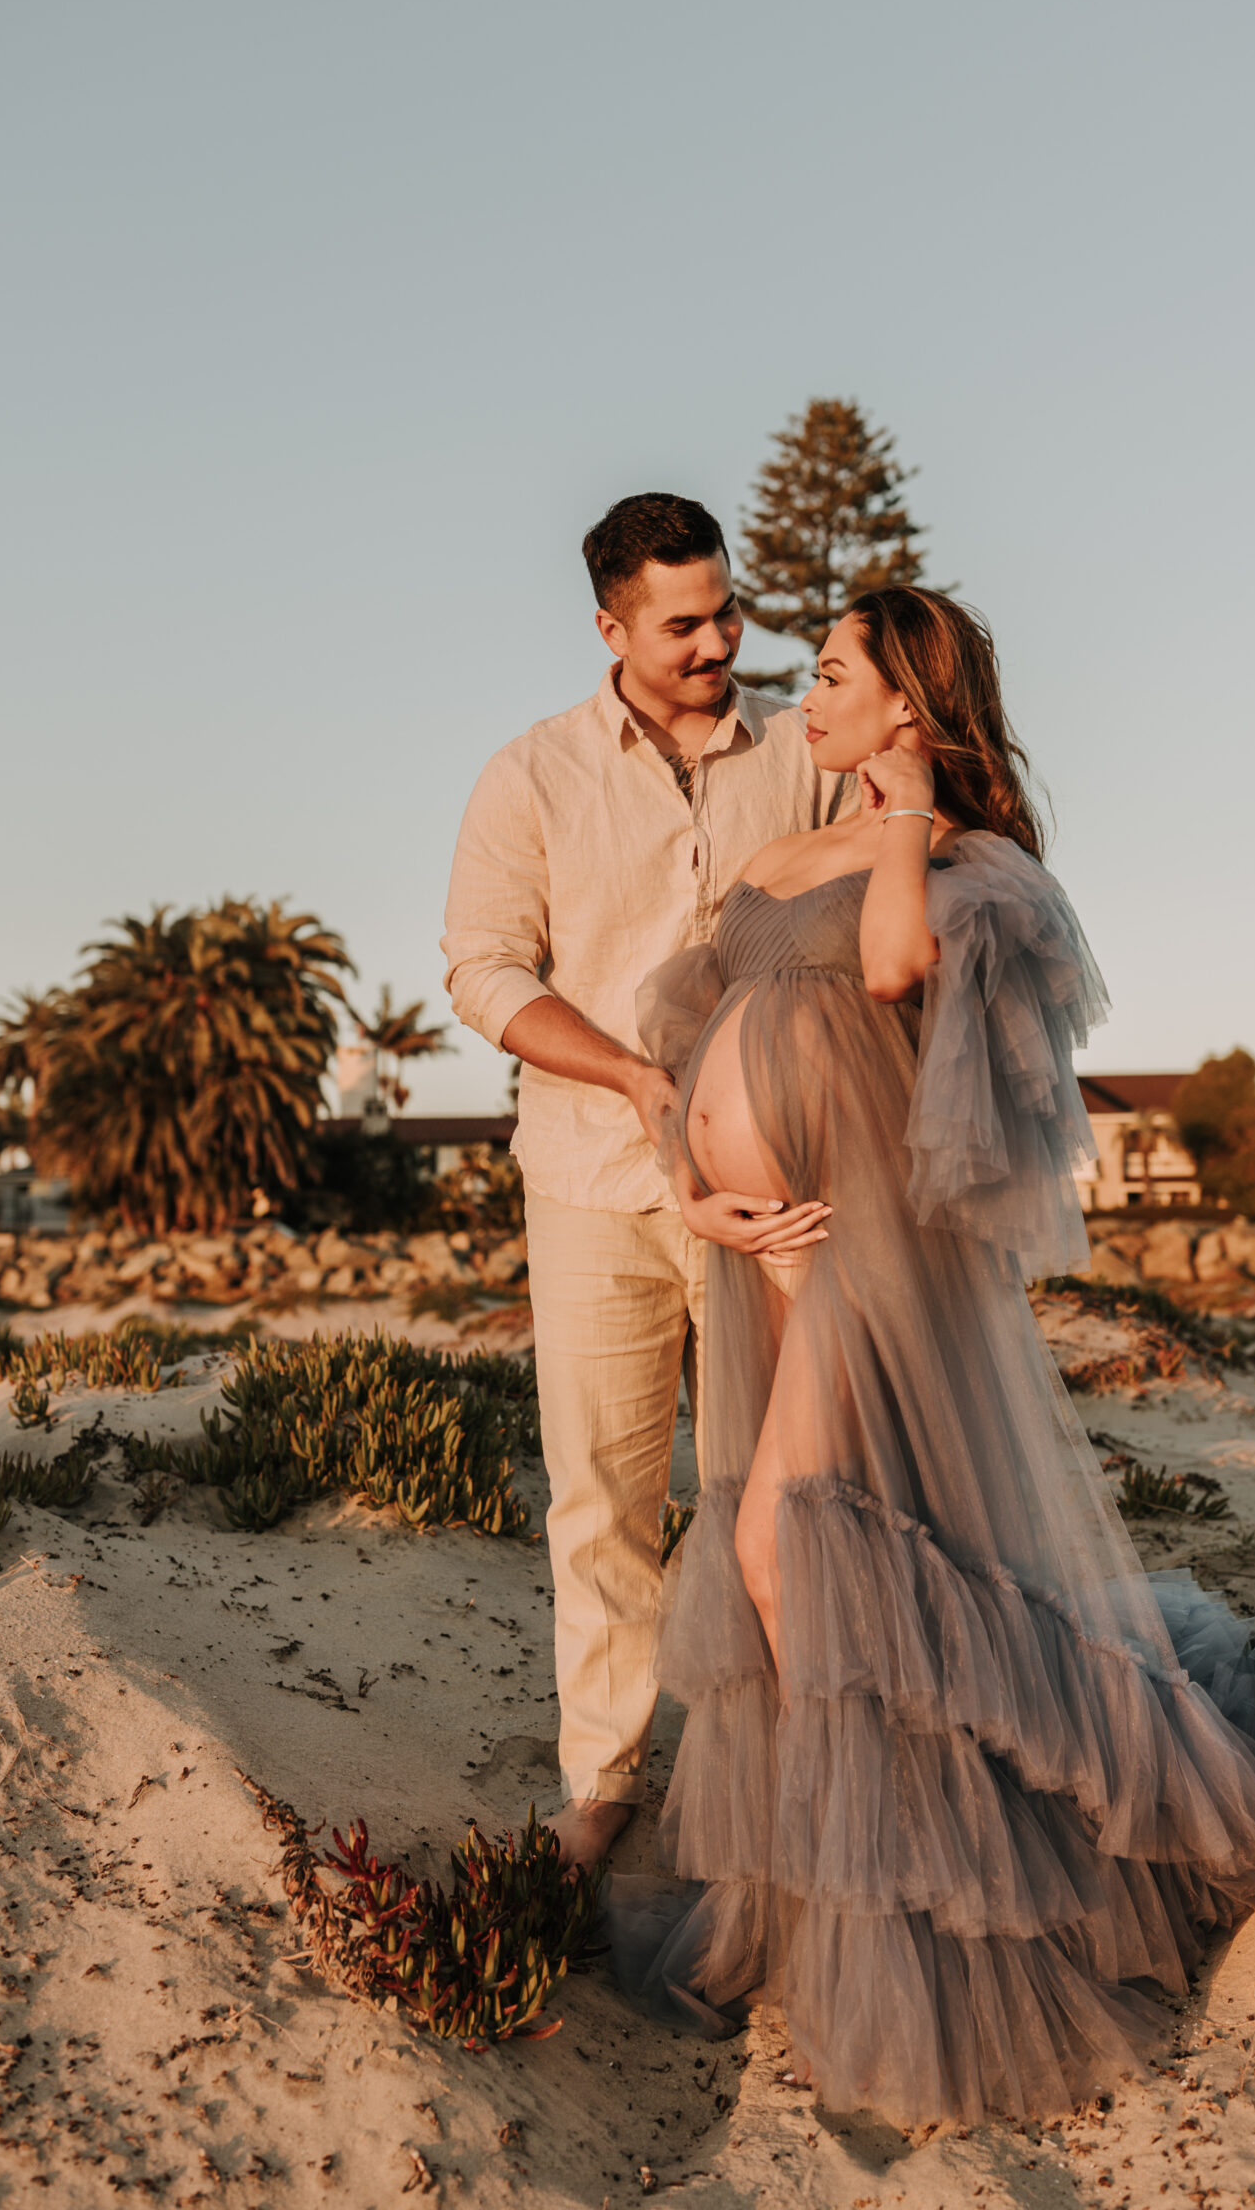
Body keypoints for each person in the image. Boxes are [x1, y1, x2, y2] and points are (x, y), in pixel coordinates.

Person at [618, 584, 1255, 2126]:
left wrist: (907, 812)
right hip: (766, 1250)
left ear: (908, 700)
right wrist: (699, 1189)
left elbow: (890, 973)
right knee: (851, 1581)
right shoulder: (772, 854)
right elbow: (690, 1051)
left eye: (831, 676)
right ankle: (837, 1921)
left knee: (781, 1557)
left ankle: (917, 1943)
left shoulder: (961, 866)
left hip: (870, 1263)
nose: (798, 695)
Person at [441, 494, 843, 1872]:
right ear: (609, 626)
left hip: (769, 1184)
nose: (719, 641)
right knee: (603, 1494)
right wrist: (632, 1076)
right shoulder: (531, 775)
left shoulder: (799, 758)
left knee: (767, 1489)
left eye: (728, 610)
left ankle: (778, 1771)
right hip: (593, 1182)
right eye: (684, 623)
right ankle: (604, 1778)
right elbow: (484, 970)